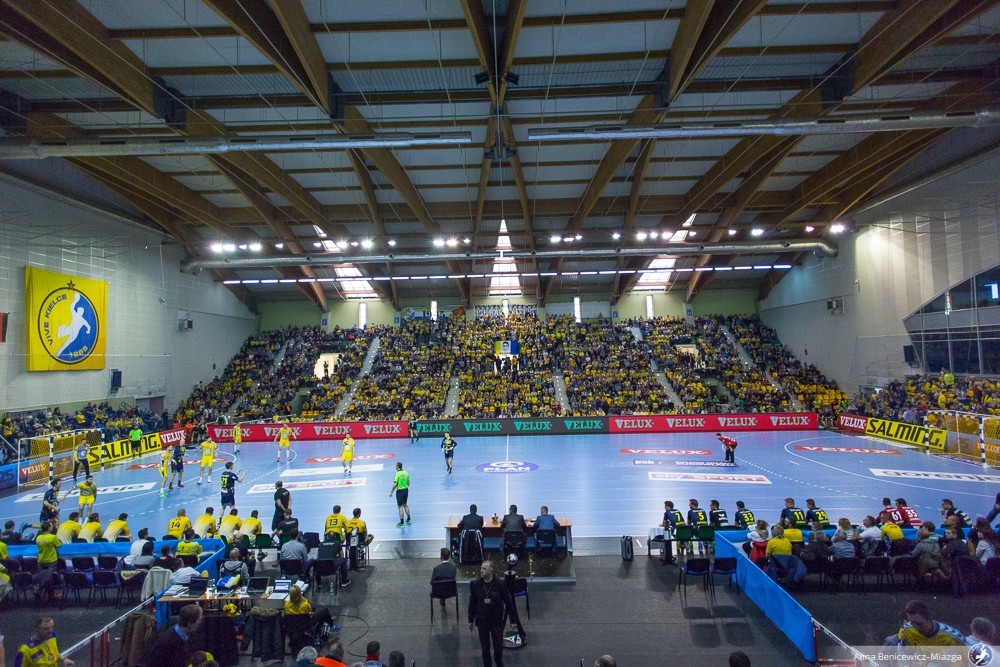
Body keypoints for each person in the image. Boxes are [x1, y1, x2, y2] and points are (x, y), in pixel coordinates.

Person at [468, 561, 514, 667]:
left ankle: (498, 662)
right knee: (485, 649)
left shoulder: (500, 584)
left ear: (491, 570)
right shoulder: (476, 584)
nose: (481, 571)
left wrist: (513, 620)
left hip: (496, 621)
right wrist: (470, 619)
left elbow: (508, 602)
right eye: (481, 568)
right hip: (482, 621)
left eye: (484, 569)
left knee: (498, 647)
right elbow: (472, 603)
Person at [895, 600, 971, 647]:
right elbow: (902, 651)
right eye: (912, 623)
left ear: (930, 620)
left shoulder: (953, 637)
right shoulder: (908, 629)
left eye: (919, 624)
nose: (916, 628)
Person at [389, 462, 411, 527]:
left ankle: (402, 523)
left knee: (400, 507)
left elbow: (395, 484)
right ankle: (409, 519)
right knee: (405, 504)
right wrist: (405, 486)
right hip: (406, 490)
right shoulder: (406, 472)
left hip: (400, 492)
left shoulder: (397, 474)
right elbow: (408, 482)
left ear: (397, 467)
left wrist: (391, 491)